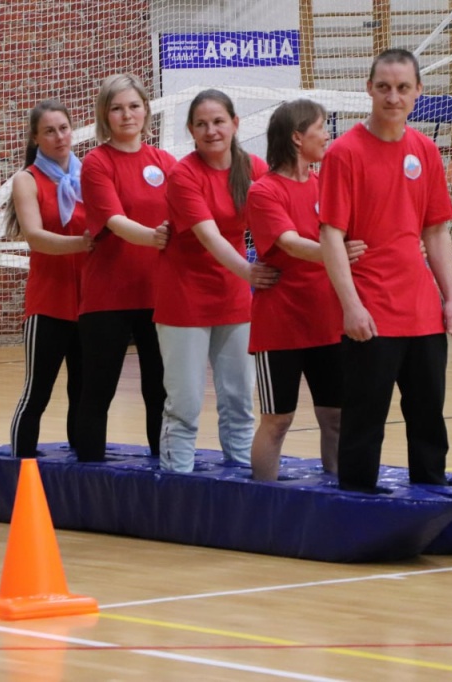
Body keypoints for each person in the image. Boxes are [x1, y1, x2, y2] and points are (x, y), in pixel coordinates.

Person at [318, 48, 452, 493]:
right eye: (384, 87)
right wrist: (351, 306)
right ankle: (358, 506)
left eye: (403, 88)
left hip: (421, 312)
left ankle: (433, 498)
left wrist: (451, 297)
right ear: (369, 89)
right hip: (371, 311)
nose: (393, 97)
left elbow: (436, 232)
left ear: (418, 91)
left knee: (428, 416)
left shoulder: (425, 150)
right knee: (365, 417)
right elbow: (330, 236)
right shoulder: (344, 153)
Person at [153, 89, 275, 473]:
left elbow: (281, 219)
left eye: (219, 121)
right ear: (190, 130)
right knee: (185, 402)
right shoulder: (183, 174)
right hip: (184, 300)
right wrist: (250, 273)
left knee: (239, 398)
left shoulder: (254, 168)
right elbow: (210, 236)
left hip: (234, 297)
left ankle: (240, 473)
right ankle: (177, 482)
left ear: (235, 124)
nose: (211, 131)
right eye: (201, 124)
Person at [246, 99, 367, 482]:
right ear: (298, 137)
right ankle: (263, 500)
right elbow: (291, 243)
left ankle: (340, 490)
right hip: (280, 324)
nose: (328, 134)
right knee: (278, 420)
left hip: (328, 320)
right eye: (321, 127)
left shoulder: (325, 184)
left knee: (335, 416)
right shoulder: (264, 191)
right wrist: (336, 254)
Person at [75, 73, 174, 462]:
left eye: (133, 106)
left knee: (160, 390)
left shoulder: (166, 162)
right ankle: (88, 479)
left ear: (146, 110)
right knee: (98, 389)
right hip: (107, 296)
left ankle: (164, 470)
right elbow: (114, 221)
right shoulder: (96, 163)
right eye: (117, 108)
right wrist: (156, 237)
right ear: (105, 115)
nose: (126, 114)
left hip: (158, 293)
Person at [5, 100, 94, 458]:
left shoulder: (90, 173)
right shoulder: (26, 180)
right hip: (48, 303)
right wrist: (84, 244)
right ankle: (17, 467)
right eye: (49, 131)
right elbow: (36, 237)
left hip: (90, 303)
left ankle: (82, 466)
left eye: (64, 128)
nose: (59, 137)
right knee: (37, 391)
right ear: (35, 138)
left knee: (84, 391)